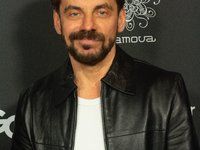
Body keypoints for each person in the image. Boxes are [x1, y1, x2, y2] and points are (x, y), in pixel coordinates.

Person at [11, 0, 199, 149]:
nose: (88, 26)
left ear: (120, 19)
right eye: (75, 13)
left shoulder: (165, 91)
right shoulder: (33, 103)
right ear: (58, 21)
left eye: (101, 12)